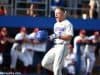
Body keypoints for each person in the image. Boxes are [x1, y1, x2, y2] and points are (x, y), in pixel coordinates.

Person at [41, 7, 74, 75]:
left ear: (63, 14)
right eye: (55, 13)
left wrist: (57, 36)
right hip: (55, 46)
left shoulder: (68, 23)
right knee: (44, 63)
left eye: (58, 13)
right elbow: (56, 35)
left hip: (63, 46)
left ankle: (58, 71)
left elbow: (69, 36)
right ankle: (61, 71)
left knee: (57, 69)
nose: (56, 15)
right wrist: (50, 37)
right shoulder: (55, 24)